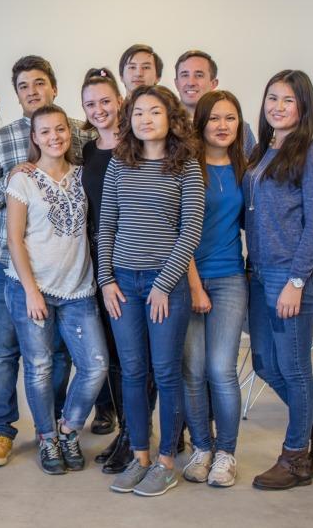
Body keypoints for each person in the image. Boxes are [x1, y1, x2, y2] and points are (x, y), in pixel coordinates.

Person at [0, 54, 90, 468]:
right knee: (3, 351)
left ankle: (52, 430)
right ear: (16, 94)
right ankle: (1, 432)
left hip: (65, 271)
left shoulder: (77, 133)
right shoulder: (2, 139)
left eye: (39, 83)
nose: (32, 91)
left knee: (57, 355)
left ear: (53, 87)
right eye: (23, 86)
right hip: (11, 267)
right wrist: (12, 180)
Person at [246, 70, 313, 490]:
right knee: (263, 364)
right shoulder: (262, 150)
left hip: (291, 274)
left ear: (303, 106)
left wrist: (296, 281)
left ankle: (296, 458)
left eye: (288, 100)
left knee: (292, 368)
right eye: (272, 98)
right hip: (258, 271)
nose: (277, 107)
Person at [97, 84, 204, 497]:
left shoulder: (186, 165)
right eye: (138, 112)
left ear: (170, 118)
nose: (145, 119)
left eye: (154, 111)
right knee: (133, 371)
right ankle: (139, 457)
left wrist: (163, 284)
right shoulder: (119, 163)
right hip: (123, 284)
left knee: (166, 371)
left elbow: (189, 232)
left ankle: (165, 462)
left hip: (166, 285)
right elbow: (106, 225)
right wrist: (106, 280)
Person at [5, 104, 108, 476]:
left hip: (78, 289)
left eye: (60, 129)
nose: (54, 137)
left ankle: (68, 429)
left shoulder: (83, 175)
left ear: (70, 132)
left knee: (95, 365)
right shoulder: (23, 180)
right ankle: (47, 437)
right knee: (39, 367)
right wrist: (31, 292)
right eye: (45, 131)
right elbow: (15, 239)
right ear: (35, 137)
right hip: (32, 288)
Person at [180, 90, 250, 488]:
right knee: (192, 370)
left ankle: (226, 453)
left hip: (229, 279)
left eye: (230, 118)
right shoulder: (187, 168)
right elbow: (180, 230)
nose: (222, 126)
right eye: (214, 118)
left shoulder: (245, 169)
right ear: (200, 123)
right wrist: (194, 285)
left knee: (221, 369)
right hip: (188, 277)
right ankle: (201, 448)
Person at [79, 68, 137, 475]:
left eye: (105, 101)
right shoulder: (86, 151)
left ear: (119, 100)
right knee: (115, 354)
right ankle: (129, 431)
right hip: (98, 260)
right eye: (90, 104)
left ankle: (139, 435)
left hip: (133, 257)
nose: (99, 110)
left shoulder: (138, 145)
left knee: (136, 355)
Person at [173, 49, 256, 153]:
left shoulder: (241, 130)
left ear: (213, 83)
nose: (191, 83)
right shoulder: (164, 126)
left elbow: (253, 163)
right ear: (176, 83)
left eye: (199, 75)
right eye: (185, 75)